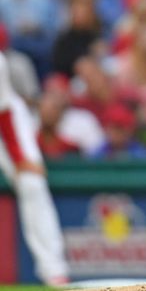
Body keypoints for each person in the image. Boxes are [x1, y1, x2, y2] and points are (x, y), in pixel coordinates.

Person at [0, 52, 69, 285]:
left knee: (32, 183)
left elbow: (5, 113)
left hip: (5, 125)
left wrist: (21, 160)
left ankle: (54, 271)